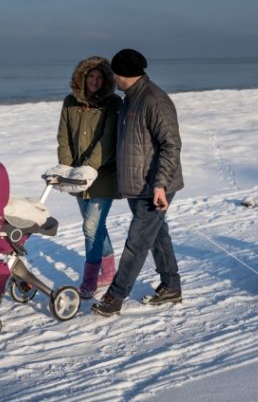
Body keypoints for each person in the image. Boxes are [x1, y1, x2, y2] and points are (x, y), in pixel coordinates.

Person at [92, 48, 184, 316]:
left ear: (123, 75)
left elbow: (171, 145)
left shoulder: (154, 100)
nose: (112, 78)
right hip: (136, 184)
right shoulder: (130, 98)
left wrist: (160, 184)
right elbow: (131, 145)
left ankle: (115, 297)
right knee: (157, 237)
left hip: (154, 186)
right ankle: (171, 286)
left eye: (114, 74)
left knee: (137, 243)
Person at [56, 56, 122, 298]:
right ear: (82, 78)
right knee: (96, 226)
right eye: (90, 77)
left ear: (105, 81)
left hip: (103, 174)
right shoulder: (70, 102)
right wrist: (66, 167)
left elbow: (107, 140)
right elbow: (63, 137)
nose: (94, 81)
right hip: (75, 176)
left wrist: (90, 168)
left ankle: (90, 279)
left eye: (99, 77)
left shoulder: (113, 103)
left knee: (90, 227)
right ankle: (109, 269)